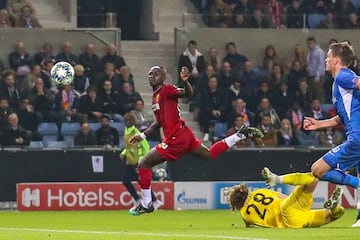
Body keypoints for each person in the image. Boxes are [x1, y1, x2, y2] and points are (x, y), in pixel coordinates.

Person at [128, 66, 263, 215]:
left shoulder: (167, 90)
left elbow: (187, 93)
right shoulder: (156, 97)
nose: (152, 76)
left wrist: (186, 82)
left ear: (164, 76)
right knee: (208, 154)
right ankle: (240, 135)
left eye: (156, 73)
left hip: (176, 138)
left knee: (143, 164)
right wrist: (142, 136)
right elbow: (158, 122)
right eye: (150, 74)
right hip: (184, 134)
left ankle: (147, 203)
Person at [303, 41, 360, 227]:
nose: (325, 60)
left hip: (356, 139)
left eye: (328, 57)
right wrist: (318, 124)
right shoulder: (340, 82)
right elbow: (340, 119)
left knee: (317, 170)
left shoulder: (343, 76)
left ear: (336, 60)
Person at [225, 167, 344, 228]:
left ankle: (333, 206)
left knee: (331, 216)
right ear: (245, 191)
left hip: (292, 224)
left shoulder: (244, 215)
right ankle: (277, 179)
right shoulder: (259, 192)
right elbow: (282, 197)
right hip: (287, 209)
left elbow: (253, 226)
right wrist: (299, 200)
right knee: (312, 178)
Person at [120, 113, 162, 209]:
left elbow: (146, 145)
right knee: (127, 181)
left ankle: (153, 201)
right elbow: (130, 146)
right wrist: (123, 153)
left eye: (130, 121)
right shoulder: (126, 131)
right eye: (126, 121)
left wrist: (146, 159)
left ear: (133, 122)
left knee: (138, 181)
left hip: (137, 161)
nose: (128, 122)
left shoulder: (136, 132)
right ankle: (143, 200)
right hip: (130, 161)